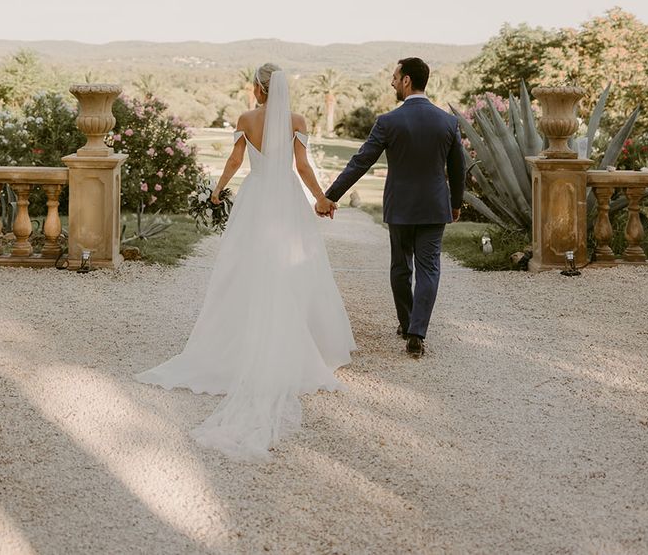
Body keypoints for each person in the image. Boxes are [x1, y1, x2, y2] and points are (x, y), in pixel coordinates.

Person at [136, 64, 356, 461]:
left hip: (256, 197)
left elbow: (236, 162)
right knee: (291, 267)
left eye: (254, 86)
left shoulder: (246, 119)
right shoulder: (297, 120)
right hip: (286, 197)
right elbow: (302, 166)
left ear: (259, 88)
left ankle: (241, 339)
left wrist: (216, 190)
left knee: (246, 268)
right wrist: (321, 199)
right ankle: (293, 340)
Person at [318, 57, 465, 358]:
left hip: (400, 207)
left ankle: (407, 322)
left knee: (401, 266)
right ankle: (417, 332)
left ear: (407, 80)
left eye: (395, 77)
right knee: (429, 268)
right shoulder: (448, 122)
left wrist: (331, 195)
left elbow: (362, 161)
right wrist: (455, 203)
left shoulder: (388, 121)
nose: (392, 82)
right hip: (435, 206)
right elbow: (458, 169)